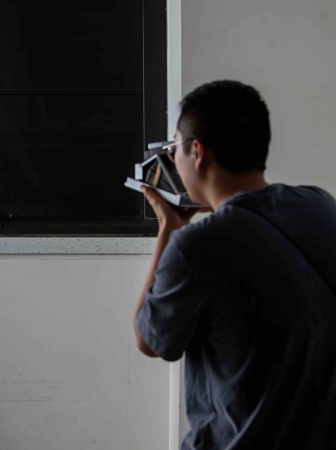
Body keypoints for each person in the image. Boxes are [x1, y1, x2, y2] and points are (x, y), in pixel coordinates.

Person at [133, 80, 336, 449]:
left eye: (175, 147)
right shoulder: (320, 205)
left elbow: (150, 339)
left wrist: (169, 228)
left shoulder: (197, 245)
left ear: (198, 153)